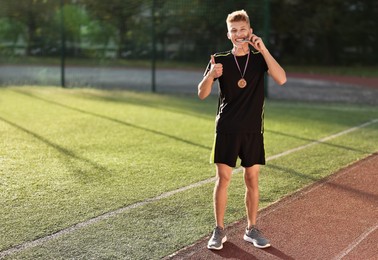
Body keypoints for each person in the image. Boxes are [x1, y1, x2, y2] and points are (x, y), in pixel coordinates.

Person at [198, 10, 286, 250]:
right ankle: (218, 230)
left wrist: (264, 49)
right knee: (223, 179)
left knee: (252, 179)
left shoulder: (259, 59)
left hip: (252, 130)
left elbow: (281, 78)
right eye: (234, 30)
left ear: (250, 31)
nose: (239, 34)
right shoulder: (219, 59)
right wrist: (210, 77)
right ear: (229, 34)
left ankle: (251, 229)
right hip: (226, 128)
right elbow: (202, 93)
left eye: (242, 29)